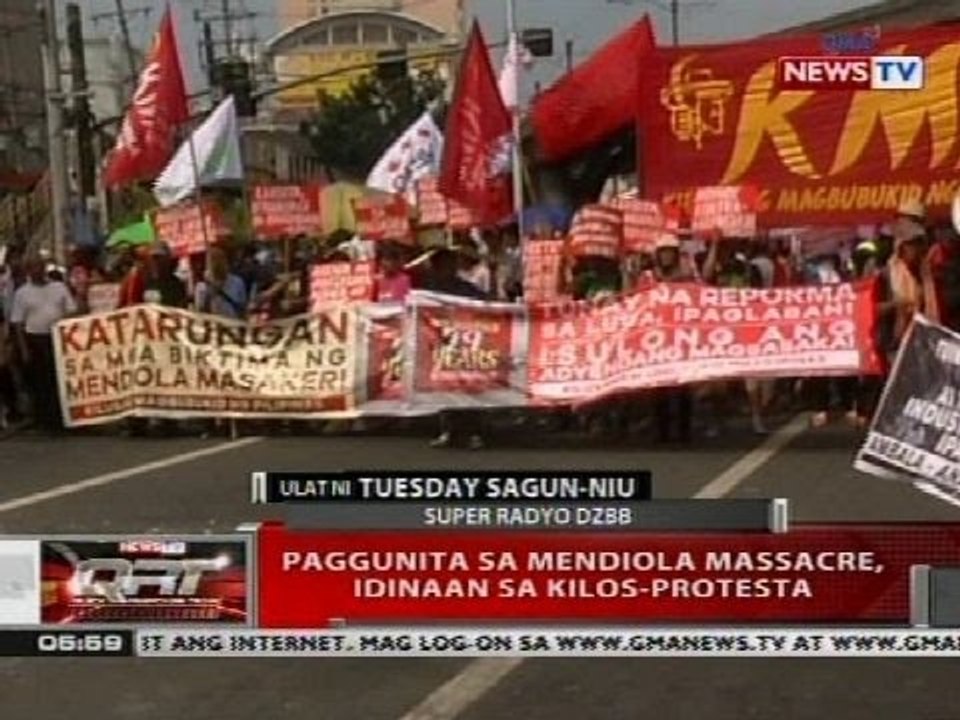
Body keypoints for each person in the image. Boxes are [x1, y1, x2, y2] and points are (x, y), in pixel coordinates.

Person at [428, 248, 489, 450]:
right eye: (442, 265)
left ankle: (474, 432)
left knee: (469, 388)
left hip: (466, 343)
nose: (447, 269)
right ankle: (448, 430)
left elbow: (487, 305)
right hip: (441, 344)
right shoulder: (428, 290)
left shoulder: (466, 288)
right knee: (445, 388)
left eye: (450, 265)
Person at [10, 255, 76, 432]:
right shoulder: (22, 293)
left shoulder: (59, 287)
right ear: (28, 271)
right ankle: (44, 419)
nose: (37, 271)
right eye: (32, 268)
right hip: (35, 339)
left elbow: (71, 310)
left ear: (44, 268)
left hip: (57, 338)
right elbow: (18, 323)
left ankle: (60, 419)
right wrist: (23, 349)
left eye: (39, 267)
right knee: (40, 382)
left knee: (58, 379)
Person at [651, 234, 695, 443]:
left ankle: (684, 430)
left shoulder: (687, 276)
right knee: (659, 387)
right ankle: (661, 430)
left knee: (682, 386)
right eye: (663, 252)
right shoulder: (649, 277)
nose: (666, 256)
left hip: (680, 337)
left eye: (670, 252)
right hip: (657, 339)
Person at [195, 246, 247, 318]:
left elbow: (242, 307)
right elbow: (200, 311)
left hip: (233, 324)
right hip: (213, 325)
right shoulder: (202, 286)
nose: (218, 264)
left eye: (220, 260)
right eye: (214, 261)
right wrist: (209, 294)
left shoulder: (237, 282)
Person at [143, 241, 187, 308]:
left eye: (159, 257)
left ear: (167, 259)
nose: (156, 262)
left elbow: (182, 308)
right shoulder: (144, 281)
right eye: (154, 258)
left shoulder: (175, 284)